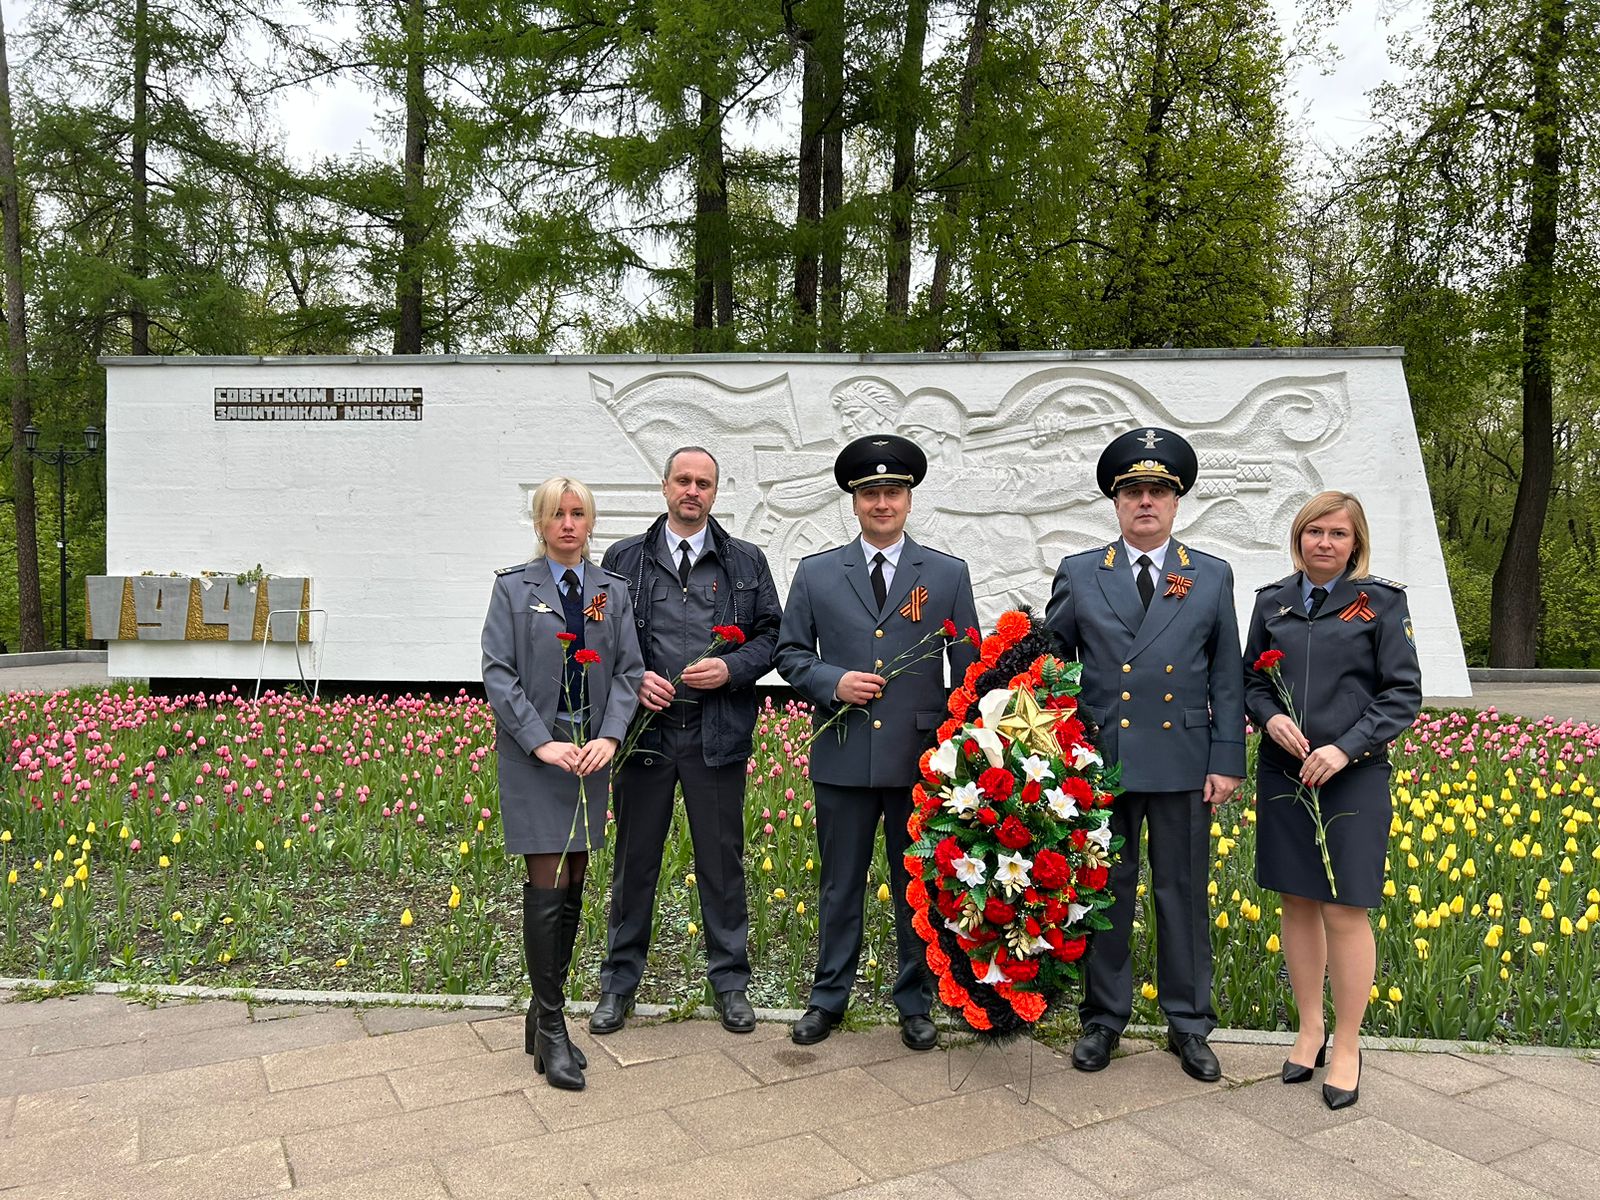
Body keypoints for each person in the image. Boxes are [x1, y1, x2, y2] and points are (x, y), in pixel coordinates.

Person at [1043, 427, 1244, 1083]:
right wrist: (1054, 753)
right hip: (1103, 761)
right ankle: (1104, 1018)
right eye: (1133, 492)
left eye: (1158, 490)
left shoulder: (1209, 575)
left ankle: (1189, 1024)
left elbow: (1226, 677)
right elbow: (1053, 668)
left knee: (1181, 892)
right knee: (1105, 892)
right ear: (1115, 502)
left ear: (1177, 501)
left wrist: (1226, 759)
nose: (1146, 502)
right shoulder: (1080, 571)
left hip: (1184, 759)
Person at [775, 433, 980, 1050]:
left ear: (909, 500)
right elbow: (788, 654)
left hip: (919, 762)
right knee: (840, 884)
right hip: (841, 754)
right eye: (870, 494)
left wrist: (960, 755)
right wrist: (832, 681)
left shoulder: (946, 573)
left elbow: (968, 669)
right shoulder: (816, 574)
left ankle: (915, 1003)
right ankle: (827, 997)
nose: (882, 503)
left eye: (892, 492)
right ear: (853, 501)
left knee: (917, 886)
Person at [589, 446, 783, 1036]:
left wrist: (733, 669)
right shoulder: (624, 559)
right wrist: (631, 675)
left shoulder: (746, 562)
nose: (692, 490)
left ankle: (730, 983)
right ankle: (618, 983)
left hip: (715, 733)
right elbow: (598, 627)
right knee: (634, 863)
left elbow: (773, 634)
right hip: (646, 735)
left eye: (703, 483)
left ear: (716, 494)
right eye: (683, 480)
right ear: (665, 486)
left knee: (722, 863)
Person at [1242, 491, 1421, 1110]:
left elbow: (1401, 694)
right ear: (1298, 538)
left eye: (1337, 534)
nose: (1324, 542)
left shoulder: (1382, 604)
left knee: (1345, 908)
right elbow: (1250, 682)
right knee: (1296, 900)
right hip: (1285, 772)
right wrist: (1268, 720)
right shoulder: (1272, 603)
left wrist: (1345, 749)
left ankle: (1348, 1043)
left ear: (1355, 542)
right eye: (1313, 531)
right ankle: (1309, 1028)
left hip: (1352, 775)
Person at [481, 476, 644, 1091]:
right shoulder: (513, 589)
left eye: (578, 514)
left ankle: (539, 1010)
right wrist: (540, 741)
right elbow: (498, 671)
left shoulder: (611, 590)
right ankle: (552, 1026)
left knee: (575, 875)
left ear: (590, 522)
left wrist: (610, 736)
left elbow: (629, 669)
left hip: (589, 756)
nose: (568, 524)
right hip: (537, 754)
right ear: (541, 523)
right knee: (547, 875)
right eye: (557, 515)